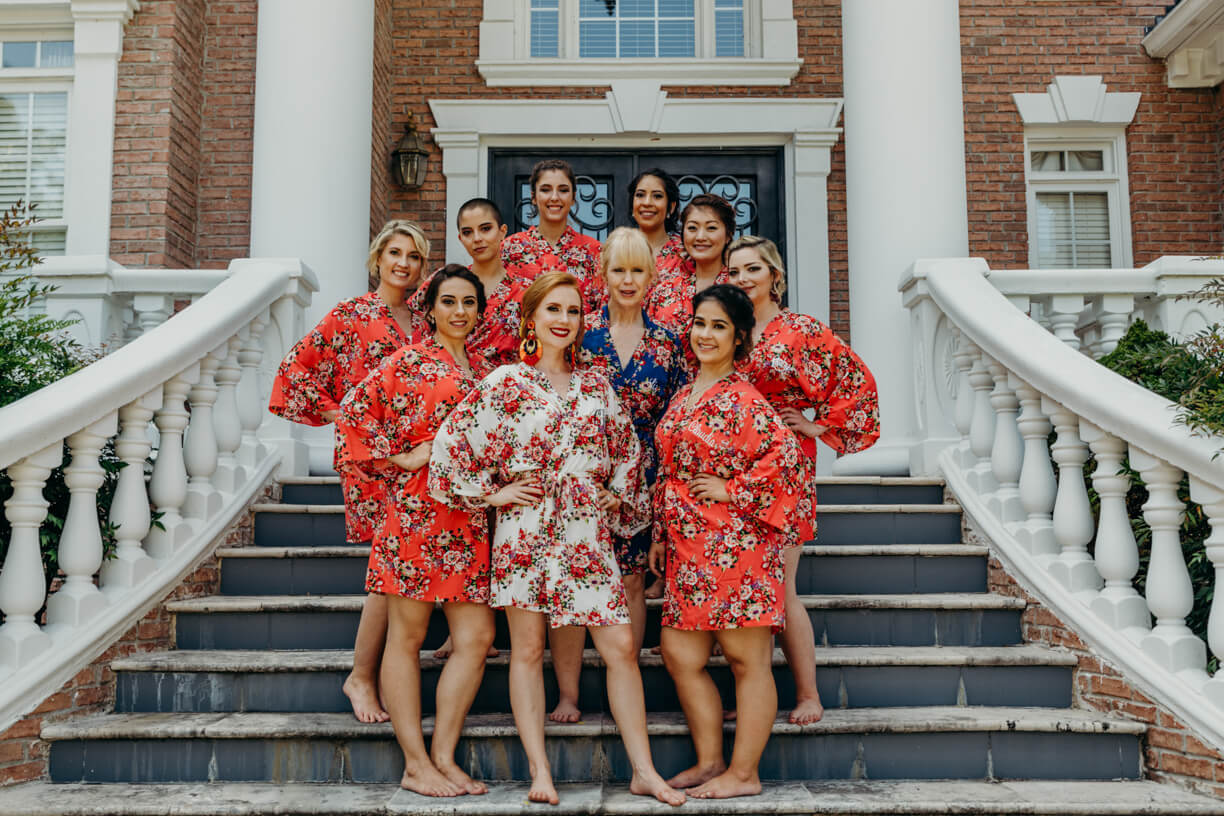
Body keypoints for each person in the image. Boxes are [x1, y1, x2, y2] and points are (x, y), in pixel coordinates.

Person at [430, 272, 684, 808]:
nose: (564, 320)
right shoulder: (504, 383)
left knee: (620, 647)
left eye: (572, 311)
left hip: (585, 530)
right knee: (527, 649)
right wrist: (493, 494)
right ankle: (539, 771)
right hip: (525, 529)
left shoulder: (596, 386)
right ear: (531, 319)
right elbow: (451, 446)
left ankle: (644, 771)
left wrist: (618, 495)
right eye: (553, 310)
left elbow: (627, 452)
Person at [336, 266, 495, 797]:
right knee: (406, 637)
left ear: (479, 310)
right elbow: (354, 415)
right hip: (417, 513)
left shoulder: (484, 369)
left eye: (468, 302)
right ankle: (414, 763)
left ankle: (443, 755)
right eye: (448, 301)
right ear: (430, 309)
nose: (459, 311)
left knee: (477, 638)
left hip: (469, 518)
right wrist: (399, 458)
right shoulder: (408, 361)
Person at [268, 219, 428, 725]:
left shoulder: (425, 320)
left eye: (414, 257)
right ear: (377, 258)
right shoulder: (351, 315)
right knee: (388, 565)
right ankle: (361, 675)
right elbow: (295, 369)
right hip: (370, 458)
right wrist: (343, 414)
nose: (403, 264)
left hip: (417, 459)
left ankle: (378, 674)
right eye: (395, 253)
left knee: (398, 566)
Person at [650, 284, 803, 799]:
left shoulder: (745, 399)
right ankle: (710, 760)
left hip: (737, 544)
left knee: (746, 661)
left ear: (739, 338)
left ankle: (744, 774)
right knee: (679, 654)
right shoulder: (684, 393)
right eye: (700, 323)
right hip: (687, 548)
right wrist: (660, 532)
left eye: (719, 326)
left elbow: (786, 464)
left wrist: (731, 489)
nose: (706, 334)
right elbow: (669, 469)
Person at [727, 235, 880, 725]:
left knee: (780, 583)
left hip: (784, 462)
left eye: (753, 269)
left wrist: (818, 426)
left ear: (775, 275)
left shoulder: (801, 330)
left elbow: (856, 382)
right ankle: (750, 694)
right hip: (733, 463)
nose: (743, 279)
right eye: (735, 271)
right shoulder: (726, 327)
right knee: (738, 581)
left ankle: (808, 694)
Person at [547, 227, 688, 724]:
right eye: (618, 270)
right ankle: (568, 694)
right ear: (602, 274)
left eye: (637, 270)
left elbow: (676, 420)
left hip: (642, 482)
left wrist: (652, 491)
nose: (627, 280)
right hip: (581, 476)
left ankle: (624, 686)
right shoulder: (579, 336)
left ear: (651, 277)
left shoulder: (669, 344)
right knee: (571, 582)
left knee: (630, 581)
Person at [408, 198, 530, 372]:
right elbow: (409, 318)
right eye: (467, 232)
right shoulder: (446, 281)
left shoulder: (526, 291)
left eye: (485, 229)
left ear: (502, 231)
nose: (477, 238)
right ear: (460, 238)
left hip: (502, 383)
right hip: (447, 378)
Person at [502, 158, 604, 308]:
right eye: (545, 190)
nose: (555, 197)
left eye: (563, 190)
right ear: (533, 197)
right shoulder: (509, 249)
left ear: (573, 197)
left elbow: (604, 309)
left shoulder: (594, 251)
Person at [645, 193, 736, 357]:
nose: (700, 237)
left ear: (728, 235)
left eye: (711, 228)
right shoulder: (664, 291)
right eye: (692, 228)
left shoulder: (740, 287)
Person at [627, 168, 684, 272]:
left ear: (671, 207)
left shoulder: (685, 252)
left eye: (657, 196)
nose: (647, 203)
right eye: (640, 195)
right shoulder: (616, 250)